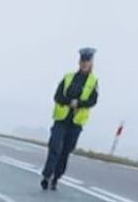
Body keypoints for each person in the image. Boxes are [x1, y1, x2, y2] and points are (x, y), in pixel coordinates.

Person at [41, 47, 99, 191]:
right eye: (83, 61)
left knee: (65, 151)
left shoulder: (93, 81)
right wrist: (69, 102)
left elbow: (93, 101)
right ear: (79, 62)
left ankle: (56, 178)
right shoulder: (68, 77)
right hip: (61, 119)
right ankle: (47, 175)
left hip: (76, 122)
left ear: (91, 63)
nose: (84, 64)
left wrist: (79, 103)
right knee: (55, 147)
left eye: (87, 61)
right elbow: (57, 96)